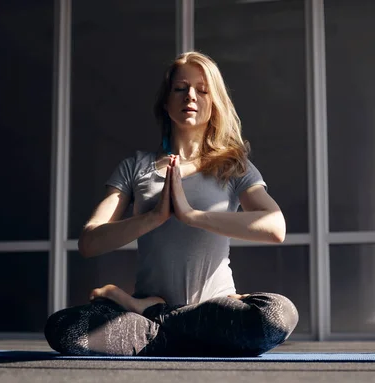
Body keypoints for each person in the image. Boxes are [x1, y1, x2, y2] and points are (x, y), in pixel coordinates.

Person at [44, 51, 299, 357]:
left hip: (210, 309)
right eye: (180, 88)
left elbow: (274, 226)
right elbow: (90, 242)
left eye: (202, 90)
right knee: (64, 328)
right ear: (166, 102)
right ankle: (178, 329)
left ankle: (161, 322)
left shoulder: (233, 166)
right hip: (176, 322)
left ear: (213, 103)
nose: (190, 95)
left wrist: (191, 215)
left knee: (277, 315)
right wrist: (155, 216)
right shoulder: (135, 167)